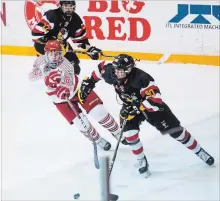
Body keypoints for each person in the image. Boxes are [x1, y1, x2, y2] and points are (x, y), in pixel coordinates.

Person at [78, 53, 215, 177]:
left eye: (120, 71)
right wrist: (88, 83)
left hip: (152, 109)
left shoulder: (142, 78)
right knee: (129, 135)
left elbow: (156, 101)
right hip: (130, 107)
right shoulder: (112, 72)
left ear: (129, 70)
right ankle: (141, 160)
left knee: (177, 132)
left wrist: (136, 109)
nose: (116, 73)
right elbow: (101, 68)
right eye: (115, 69)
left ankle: (199, 151)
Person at [29, 40, 128, 152]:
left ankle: (117, 132)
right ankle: (98, 140)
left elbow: (69, 88)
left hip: (78, 90)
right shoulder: (40, 61)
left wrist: (62, 88)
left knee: (99, 112)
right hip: (59, 100)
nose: (55, 56)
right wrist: (44, 73)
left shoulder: (66, 65)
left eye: (57, 53)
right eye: (51, 53)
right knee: (81, 124)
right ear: (46, 53)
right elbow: (31, 77)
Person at [31, 0, 101, 75]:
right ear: (61, 6)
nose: (68, 8)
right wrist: (51, 42)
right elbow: (35, 34)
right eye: (66, 6)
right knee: (51, 68)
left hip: (61, 48)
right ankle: (46, 71)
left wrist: (89, 49)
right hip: (45, 47)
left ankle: (66, 83)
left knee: (74, 67)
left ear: (74, 7)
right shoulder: (52, 15)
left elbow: (80, 39)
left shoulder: (76, 19)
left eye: (70, 6)